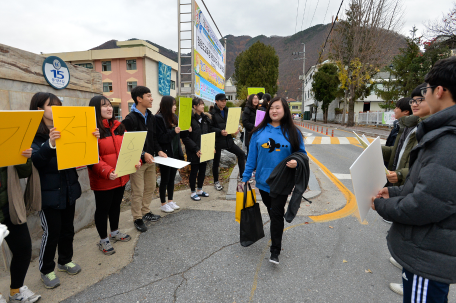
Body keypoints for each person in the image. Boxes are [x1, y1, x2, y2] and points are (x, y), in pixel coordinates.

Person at [372, 57, 456, 303]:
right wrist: (394, 194)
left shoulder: (447, 140)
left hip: (427, 254)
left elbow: (427, 203)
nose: (421, 98)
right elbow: (430, 186)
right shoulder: (441, 132)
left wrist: (381, 205)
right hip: (432, 250)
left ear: (439, 91)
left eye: (425, 91)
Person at [30, 92, 99, 289]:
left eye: (59, 104)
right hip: (48, 193)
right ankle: (46, 270)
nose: (57, 108)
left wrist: (91, 139)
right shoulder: (34, 134)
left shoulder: (68, 128)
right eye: (51, 105)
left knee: (68, 229)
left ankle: (64, 261)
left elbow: (82, 156)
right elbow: (36, 161)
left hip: (69, 188)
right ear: (39, 110)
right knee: (51, 232)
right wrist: (50, 143)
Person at [242, 97, 306, 265]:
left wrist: (297, 162)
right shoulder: (258, 132)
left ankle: (275, 250)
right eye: (271, 108)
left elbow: (302, 154)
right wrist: (245, 178)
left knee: (277, 213)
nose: (274, 111)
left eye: (278, 108)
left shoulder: (293, 132)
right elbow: (251, 158)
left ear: (285, 110)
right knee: (272, 211)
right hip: (263, 181)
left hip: (283, 181)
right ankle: (276, 228)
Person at [380, 86, 430, 295]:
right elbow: (398, 153)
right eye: (413, 100)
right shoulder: (407, 127)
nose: (415, 103)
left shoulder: (431, 130)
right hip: (403, 184)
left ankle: (411, 277)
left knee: (417, 234)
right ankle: (405, 265)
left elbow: (423, 167)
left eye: (421, 99)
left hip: (413, 188)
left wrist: (400, 175)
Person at [88, 96, 137, 255]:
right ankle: (103, 240)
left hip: (120, 176)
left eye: (110, 105)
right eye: (104, 106)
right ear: (95, 109)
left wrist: (135, 161)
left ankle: (114, 232)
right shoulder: (91, 130)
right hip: (103, 179)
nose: (109, 108)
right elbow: (91, 157)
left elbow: (128, 149)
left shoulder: (119, 127)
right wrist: (107, 171)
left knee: (116, 205)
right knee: (103, 210)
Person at [122, 86, 167, 232]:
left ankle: (146, 211)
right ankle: (137, 218)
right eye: (148, 96)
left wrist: (159, 150)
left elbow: (153, 137)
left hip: (151, 160)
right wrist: (142, 154)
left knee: (150, 187)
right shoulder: (130, 119)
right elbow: (125, 142)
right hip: (138, 162)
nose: (152, 98)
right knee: (138, 191)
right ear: (139, 99)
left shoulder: (151, 116)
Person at [0, 151, 41, 302]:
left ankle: (15, 291)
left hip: (9, 207)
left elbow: (26, 171)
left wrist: (23, 157)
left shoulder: (6, 141)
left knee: (23, 248)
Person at [155, 96, 187, 213]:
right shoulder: (158, 118)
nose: (175, 107)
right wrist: (174, 132)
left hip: (174, 153)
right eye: (173, 105)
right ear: (167, 105)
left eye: (175, 105)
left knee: (172, 178)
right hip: (165, 154)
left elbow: (178, 137)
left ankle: (170, 201)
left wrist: (186, 131)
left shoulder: (174, 117)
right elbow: (161, 138)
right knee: (165, 178)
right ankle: (163, 203)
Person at [210, 93, 245, 190]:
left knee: (241, 154)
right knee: (216, 163)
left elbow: (232, 123)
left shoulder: (228, 111)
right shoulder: (212, 113)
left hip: (228, 140)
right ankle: (216, 181)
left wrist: (235, 129)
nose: (224, 102)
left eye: (225, 100)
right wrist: (220, 132)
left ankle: (242, 177)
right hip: (217, 141)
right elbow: (210, 128)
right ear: (216, 101)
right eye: (222, 101)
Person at [182, 97, 213, 201]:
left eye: (203, 104)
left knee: (203, 170)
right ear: (194, 107)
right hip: (193, 150)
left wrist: (211, 146)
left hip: (204, 150)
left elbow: (208, 133)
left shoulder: (205, 119)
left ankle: (199, 189)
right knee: (194, 171)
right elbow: (185, 138)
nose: (203, 106)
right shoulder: (189, 120)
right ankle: (192, 192)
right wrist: (196, 149)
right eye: (200, 104)